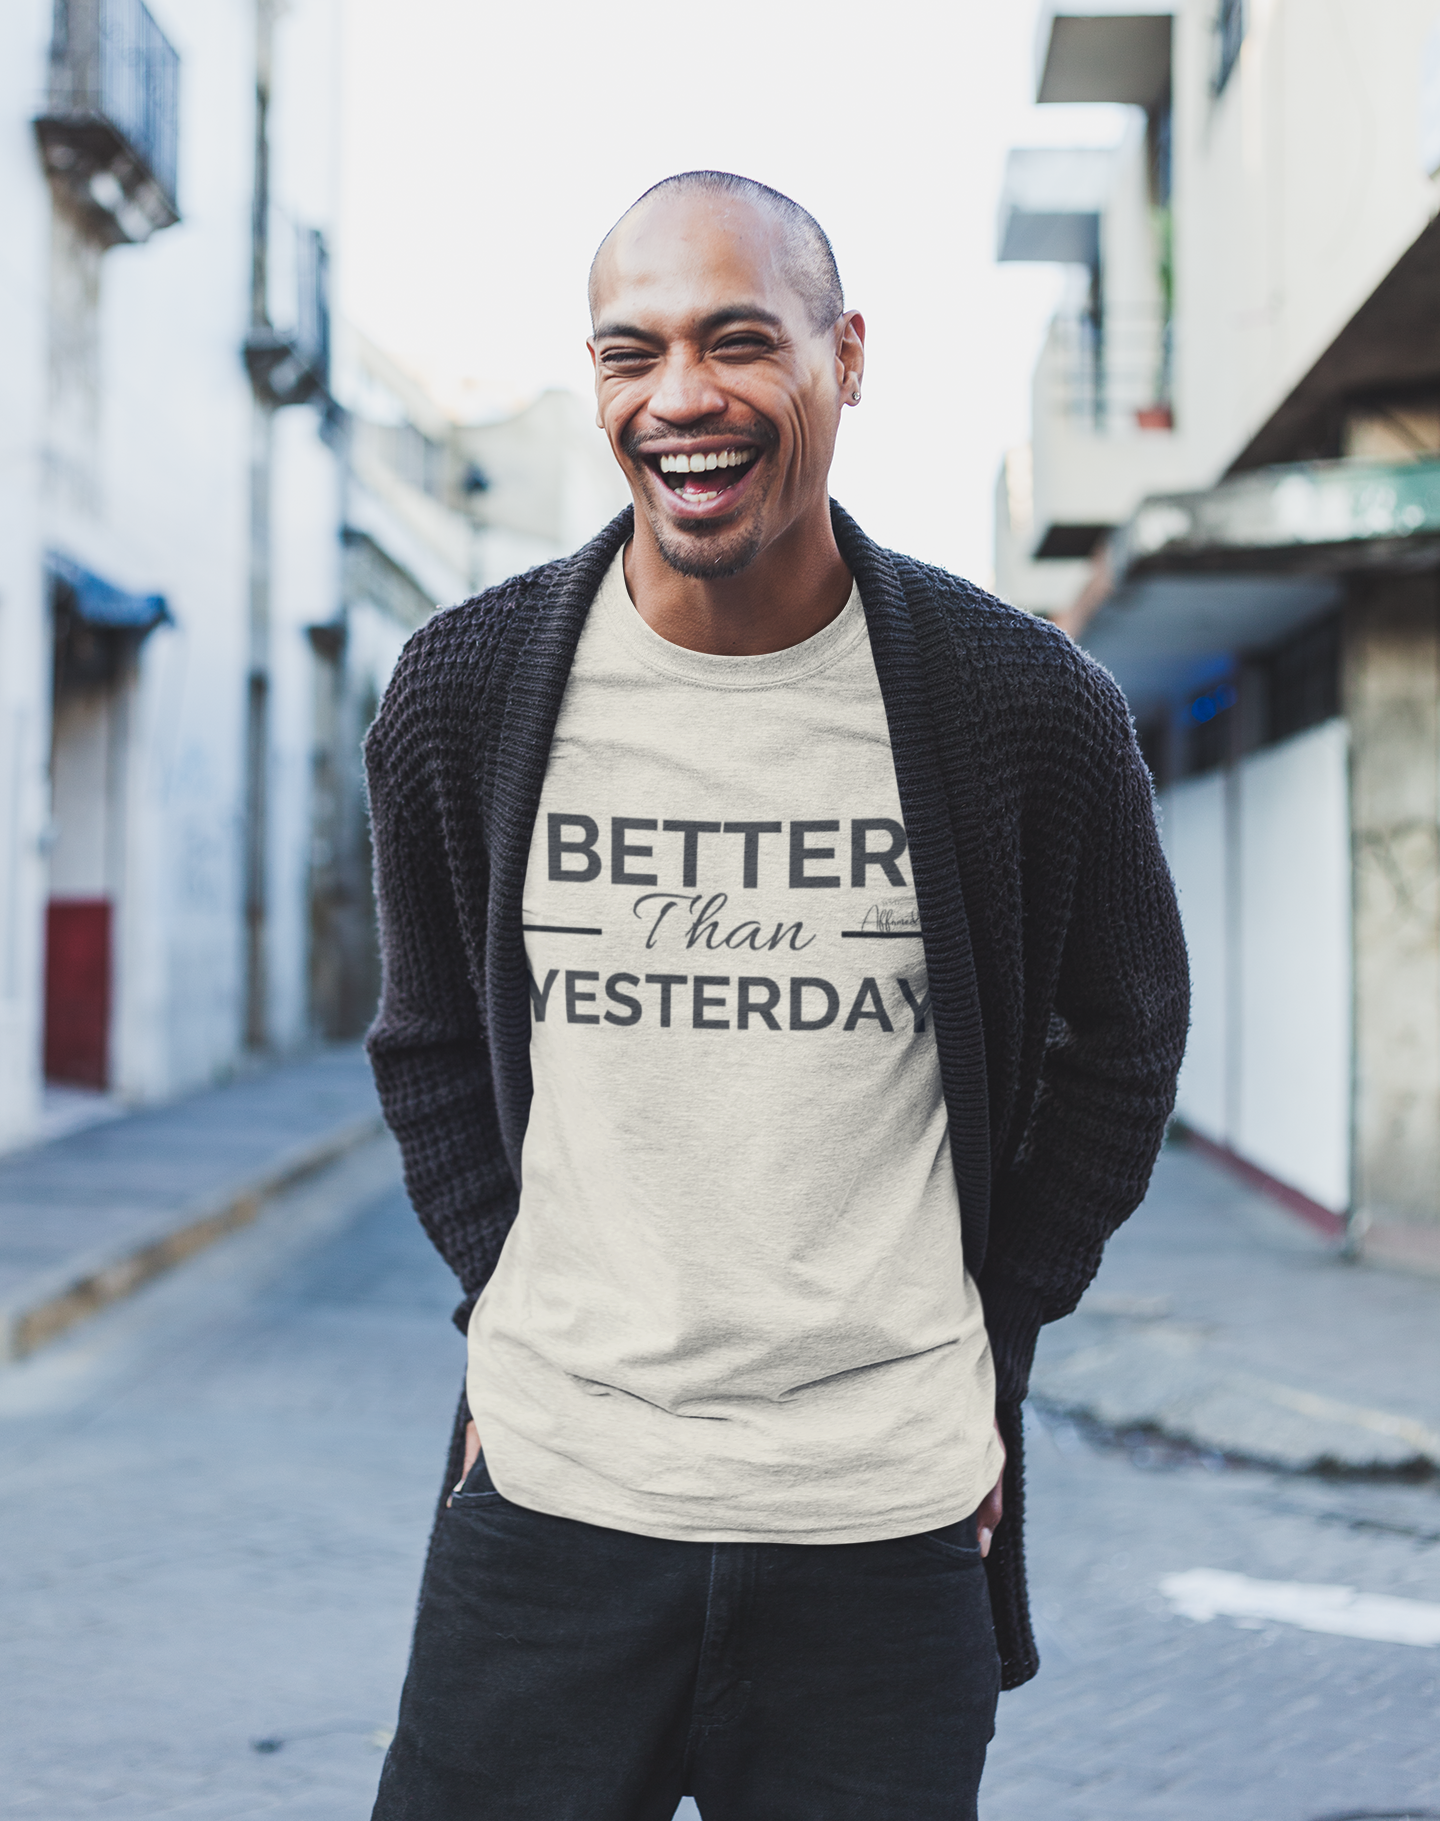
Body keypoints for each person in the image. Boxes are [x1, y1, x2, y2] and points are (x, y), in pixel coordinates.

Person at [364, 171, 1189, 1820]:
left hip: (878, 1534)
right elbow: (432, 1043)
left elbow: (1127, 1038)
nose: (683, 398)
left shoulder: (1021, 705)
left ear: (847, 358)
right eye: (632, 353)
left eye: (740, 343)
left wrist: (994, 1322)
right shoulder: (464, 692)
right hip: (553, 1507)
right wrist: (512, 1296)